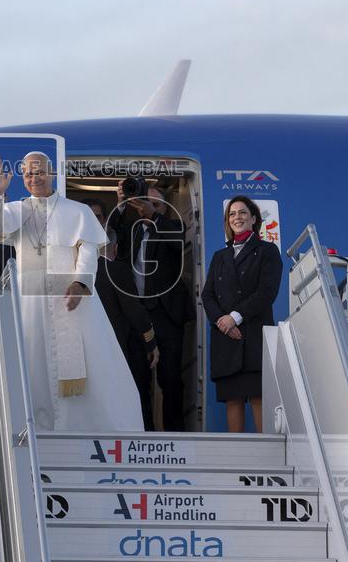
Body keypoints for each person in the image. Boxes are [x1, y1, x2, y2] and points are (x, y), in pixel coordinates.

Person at [0, 152, 143, 432]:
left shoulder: (77, 211)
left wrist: (81, 282)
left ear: (51, 173)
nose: (34, 178)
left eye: (39, 171)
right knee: (32, 366)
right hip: (30, 302)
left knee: (92, 368)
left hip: (72, 299)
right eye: (28, 173)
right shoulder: (17, 209)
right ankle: (34, 430)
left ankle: (84, 430)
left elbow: (88, 249)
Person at [108, 183, 194, 431]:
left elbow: (178, 242)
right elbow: (109, 235)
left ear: (165, 209)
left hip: (167, 313)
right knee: (137, 379)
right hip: (137, 315)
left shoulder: (172, 227)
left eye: (157, 205)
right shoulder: (131, 231)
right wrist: (122, 205)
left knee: (170, 379)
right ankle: (144, 434)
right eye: (145, 202)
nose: (148, 207)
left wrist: (153, 216)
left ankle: (175, 436)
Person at [201, 195, 282, 433]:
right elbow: (208, 295)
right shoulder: (219, 256)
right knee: (232, 399)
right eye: (232, 214)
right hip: (225, 336)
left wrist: (234, 317)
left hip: (253, 336)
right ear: (228, 221)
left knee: (258, 398)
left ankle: (266, 458)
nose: (237, 217)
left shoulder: (267, 251)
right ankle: (236, 459)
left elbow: (267, 292)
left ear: (254, 218)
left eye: (243, 212)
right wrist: (221, 321)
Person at [88, 223, 160, 430]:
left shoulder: (78, 272)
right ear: (115, 247)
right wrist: (150, 341)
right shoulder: (116, 269)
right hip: (114, 349)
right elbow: (133, 309)